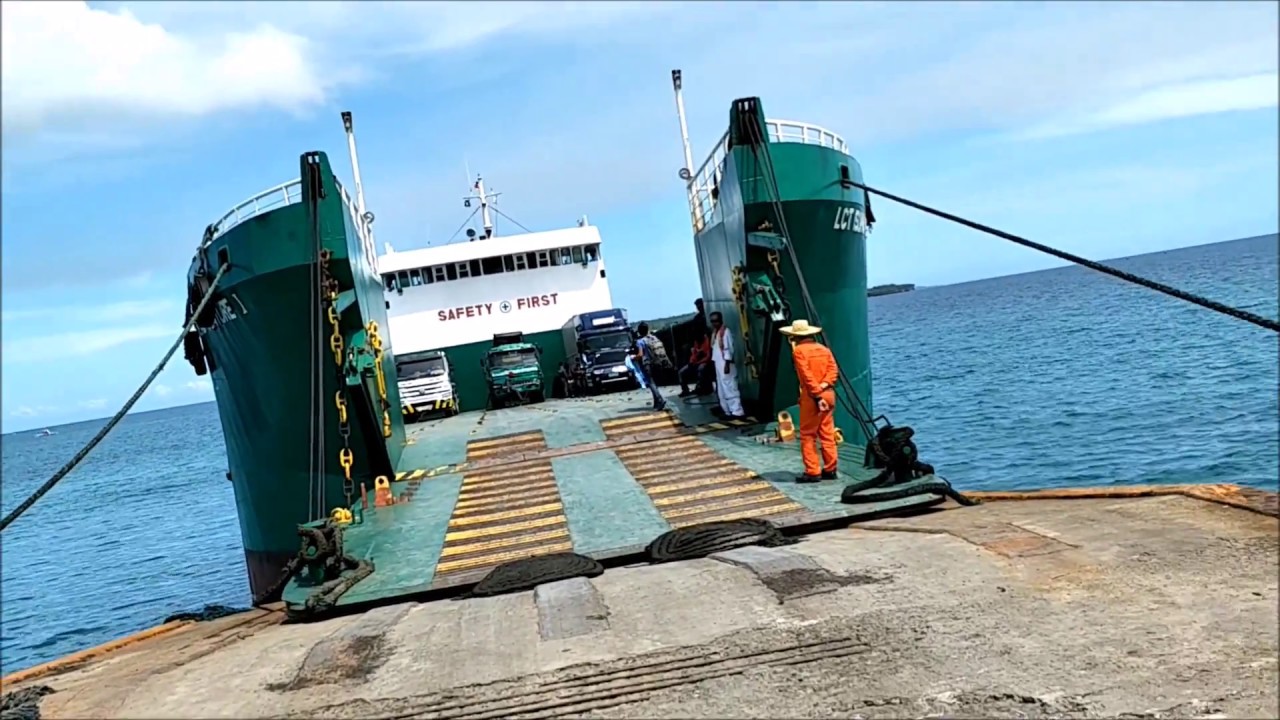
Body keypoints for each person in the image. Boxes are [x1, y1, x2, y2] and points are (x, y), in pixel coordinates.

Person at [780, 319, 839, 483]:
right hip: (828, 393)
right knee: (827, 432)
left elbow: (807, 376)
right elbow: (833, 371)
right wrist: (824, 385)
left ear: (794, 337)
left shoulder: (799, 351)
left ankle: (813, 471)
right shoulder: (824, 349)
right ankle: (831, 469)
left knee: (808, 434)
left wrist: (817, 394)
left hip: (813, 397)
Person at [708, 311, 745, 419]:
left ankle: (737, 411)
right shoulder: (716, 333)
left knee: (730, 387)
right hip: (718, 363)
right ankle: (727, 411)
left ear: (720, 320)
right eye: (712, 321)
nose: (714, 323)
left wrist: (727, 364)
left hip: (725, 363)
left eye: (716, 321)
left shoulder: (725, 332)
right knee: (722, 388)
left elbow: (728, 349)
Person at [631, 322, 669, 411]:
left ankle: (660, 400)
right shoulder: (653, 338)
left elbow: (640, 354)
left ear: (639, 332)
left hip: (647, 364)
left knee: (651, 383)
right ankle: (656, 402)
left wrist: (633, 358)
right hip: (657, 362)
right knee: (654, 382)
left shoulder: (640, 342)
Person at [678, 329, 714, 397]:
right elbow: (693, 354)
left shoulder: (707, 341)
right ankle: (685, 390)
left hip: (705, 362)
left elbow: (708, 356)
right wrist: (691, 362)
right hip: (696, 362)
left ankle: (701, 387)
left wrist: (698, 362)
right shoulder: (696, 341)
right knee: (681, 372)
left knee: (701, 369)